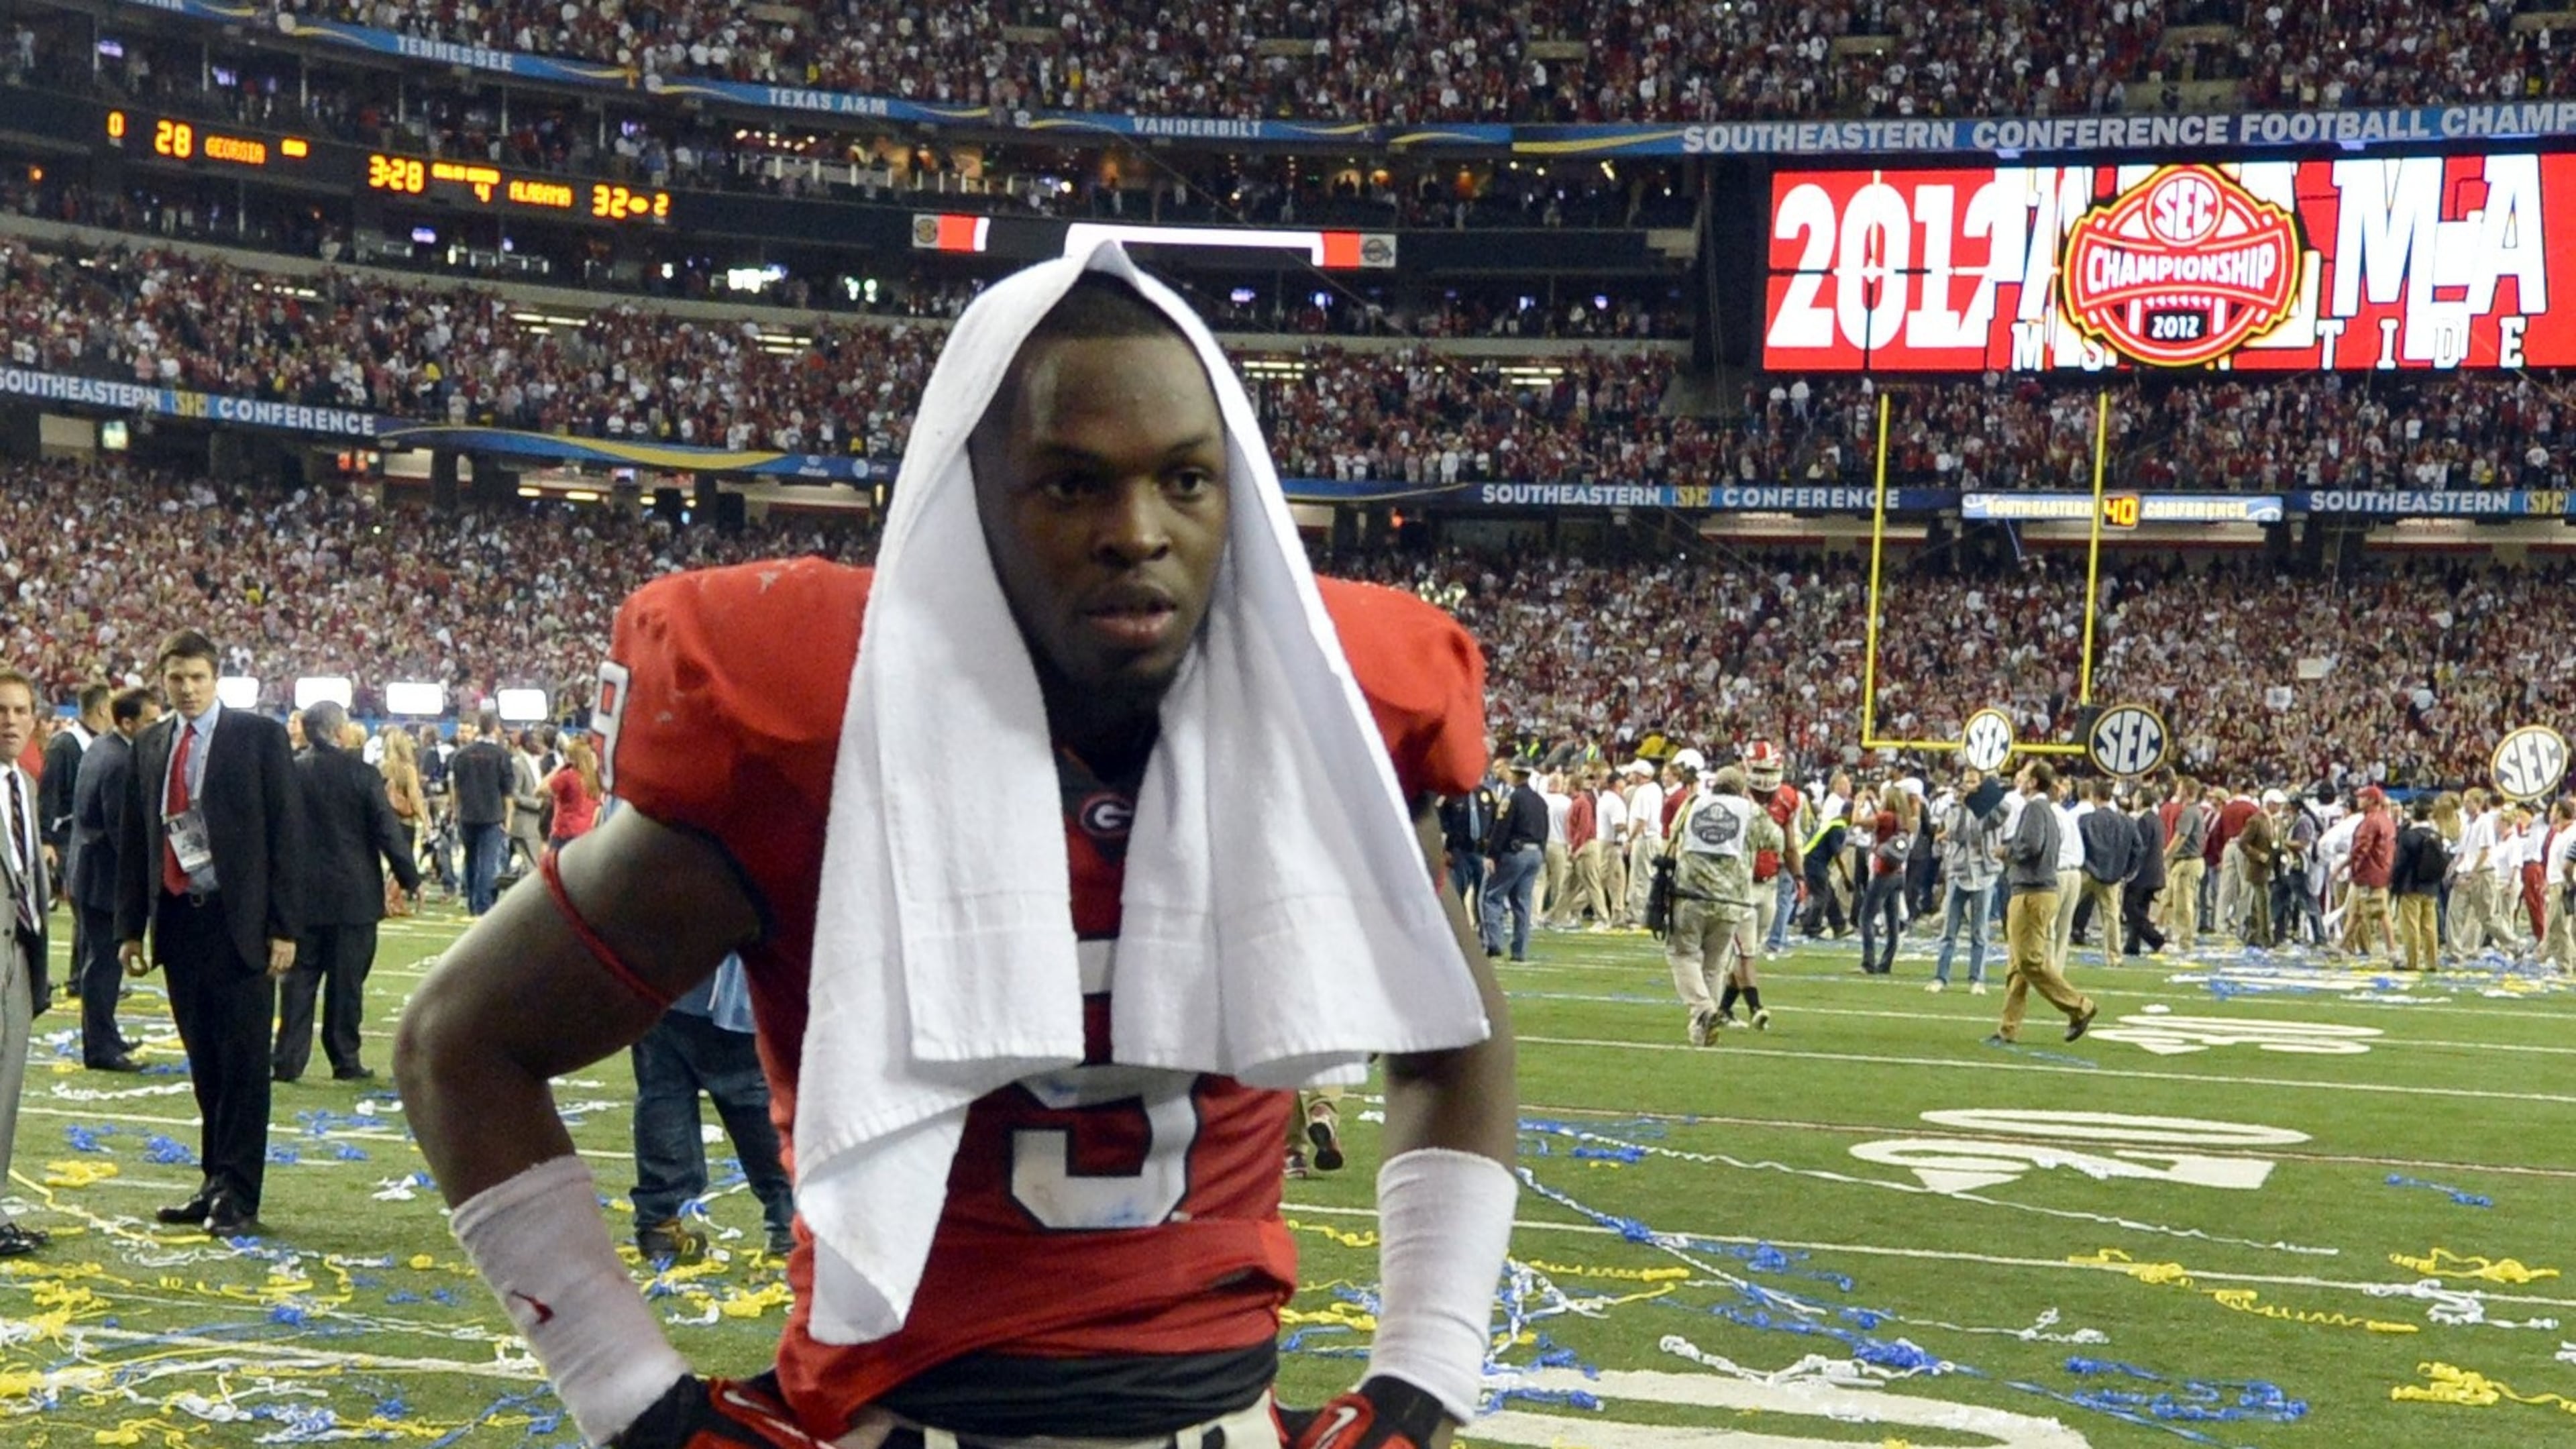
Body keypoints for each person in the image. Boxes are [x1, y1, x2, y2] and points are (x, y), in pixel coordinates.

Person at [394, 254, 1517, 1449]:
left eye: (1186, 479)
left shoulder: (1329, 718)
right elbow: (460, 1042)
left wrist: (1422, 1381)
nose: (1136, 533)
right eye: (1072, 484)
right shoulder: (813, 738)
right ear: (970, 496)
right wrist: (640, 1407)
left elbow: (1454, 1039)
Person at [116, 629, 305, 1238]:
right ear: (163, 680)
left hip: (241, 924)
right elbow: (136, 842)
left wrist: (284, 927)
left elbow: (287, 834)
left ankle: (241, 1195)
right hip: (179, 920)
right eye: (177, 678)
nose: (188, 688)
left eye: (197, 677)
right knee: (205, 1064)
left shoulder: (258, 737)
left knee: (246, 1064)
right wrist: (129, 928)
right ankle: (213, 1182)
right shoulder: (149, 745)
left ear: (216, 677)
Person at [274, 700, 421, 1085]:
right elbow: (386, 830)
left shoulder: (289, 771)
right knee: (347, 983)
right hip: (354, 896)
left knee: (298, 982)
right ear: (338, 731)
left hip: (300, 897)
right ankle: (345, 1059)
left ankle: (288, 1059)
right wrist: (409, 878)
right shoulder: (362, 774)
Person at [629, 953, 797, 1262]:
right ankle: (787, 1225)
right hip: (725, 995)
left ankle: (659, 1225)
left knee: (663, 1100)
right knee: (754, 1109)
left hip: (662, 984)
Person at [68, 687, 158, 1070]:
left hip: (90, 873)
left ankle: (106, 1036)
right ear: (127, 722)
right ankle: (101, 1047)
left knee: (99, 962)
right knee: (103, 965)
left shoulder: (103, 747)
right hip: (105, 880)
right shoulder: (120, 761)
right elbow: (123, 832)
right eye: (151, 721)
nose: (157, 728)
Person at [0, 667, 54, 1255]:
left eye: (19, 711)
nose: (10, 721)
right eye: (0, 710)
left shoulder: (23, 784)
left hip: (19, 955)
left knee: (6, 1091)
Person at [1662, 763, 1776, 1043]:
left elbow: (1672, 835)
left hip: (1691, 895)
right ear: (1742, 789)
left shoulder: (1693, 804)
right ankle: (1702, 1032)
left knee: (1683, 954)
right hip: (1731, 900)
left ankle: (1703, 1009)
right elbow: (1777, 840)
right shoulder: (1750, 811)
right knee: (1714, 965)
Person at [1989, 761, 2098, 1046]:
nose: (2019, 779)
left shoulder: (2035, 809)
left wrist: (2007, 851)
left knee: (2029, 961)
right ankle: (2008, 1028)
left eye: (2024, 775)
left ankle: (2079, 1005)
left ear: (2035, 782)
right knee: (2017, 964)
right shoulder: (2049, 810)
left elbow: (2031, 847)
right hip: (2037, 889)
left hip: (2032, 891)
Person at [1928, 767, 1997, 994]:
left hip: (1983, 875)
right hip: (1959, 873)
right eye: (1966, 782)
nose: (1969, 786)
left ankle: (1977, 979)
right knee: (1949, 930)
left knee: (1979, 931)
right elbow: (1957, 835)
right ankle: (1941, 977)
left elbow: (1981, 834)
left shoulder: (1989, 810)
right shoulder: (1953, 809)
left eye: (1973, 782)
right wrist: (1962, 808)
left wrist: (1978, 806)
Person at [1482, 760, 1548, 961]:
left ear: (1515, 774)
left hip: (1515, 852)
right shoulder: (1539, 800)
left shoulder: (1512, 798)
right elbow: (1545, 830)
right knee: (1522, 903)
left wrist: (1492, 854)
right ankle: (1520, 951)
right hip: (1535, 852)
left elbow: (1502, 827)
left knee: (1492, 897)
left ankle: (1495, 943)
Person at [448, 712, 511, 916]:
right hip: (492, 815)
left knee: (471, 859)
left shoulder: (462, 754)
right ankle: (482, 905)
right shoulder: (501, 755)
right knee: (487, 862)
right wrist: (508, 819)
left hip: (467, 814)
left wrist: (455, 812)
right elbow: (507, 792)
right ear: (494, 728)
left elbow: (456, 788)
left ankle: (472, 902)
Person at [546, 736, 604, 851]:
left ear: (573, 758)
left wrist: (559, 768)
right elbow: (598, 808)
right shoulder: (595, 778)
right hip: (586, 834)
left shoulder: (568, 776)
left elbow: (541, 791)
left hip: (564, 833)